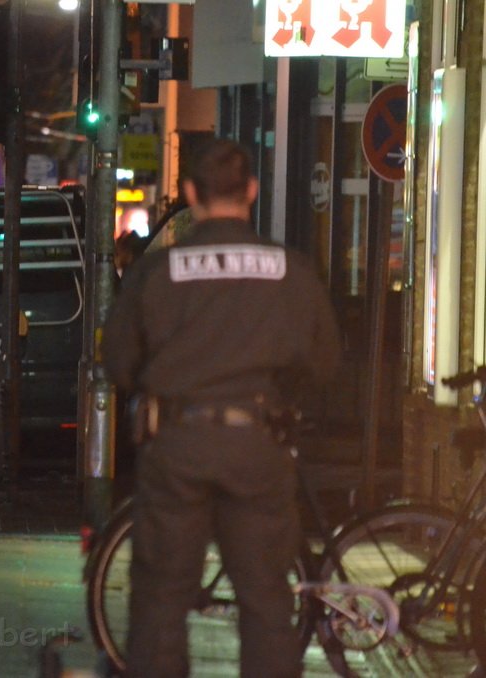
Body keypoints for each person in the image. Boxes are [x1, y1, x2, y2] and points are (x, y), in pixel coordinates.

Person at [101, 139, 341, 678]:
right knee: (266, 603)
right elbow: (324, 361)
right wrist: (278, 401)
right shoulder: (290, 271)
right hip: (257, 445)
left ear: (191, 194)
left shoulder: (159, 271)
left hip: (178, 445)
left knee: (161, 600)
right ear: (251, 192)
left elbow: (118, 358)